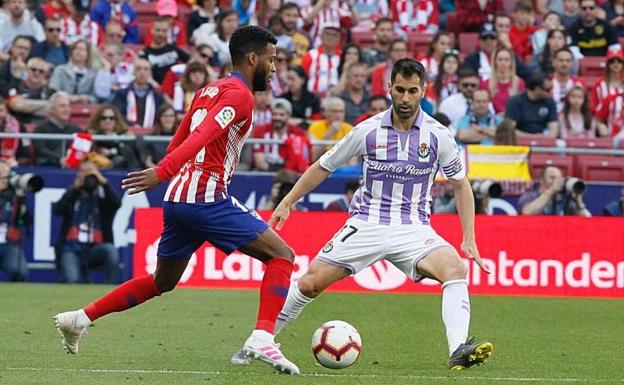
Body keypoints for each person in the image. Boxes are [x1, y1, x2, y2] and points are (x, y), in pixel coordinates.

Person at [53, 25, 301, 376]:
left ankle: (79, 318)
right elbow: (202, 134)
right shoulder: (240, 95)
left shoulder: (207, 90)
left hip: (179, 198)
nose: (275, 68)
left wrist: (167, 172)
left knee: (162, 281)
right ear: (252, 57)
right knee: (282, 256)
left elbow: (179, 138)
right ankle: (263, 336)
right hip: (206, 197)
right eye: (272, 59)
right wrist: (162, 171)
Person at [231, 58, 494, 370]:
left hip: (414, 229)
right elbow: (323, 167)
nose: (406, 98)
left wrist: (469, 237)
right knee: (310, 284)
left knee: (455, 269)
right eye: (400, 90)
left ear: (425, 90)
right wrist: (288, 201)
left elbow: (461, 186)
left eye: (412, 91)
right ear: (389, 89)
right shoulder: (368, 131)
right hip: (366, 222)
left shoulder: (439, 136)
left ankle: (458, 349)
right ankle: (259, 341)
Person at [53, 161, 121, 283]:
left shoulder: (101, 198)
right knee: (72, 279)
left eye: (91, 173)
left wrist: (103, 182)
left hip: (95, 248)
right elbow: (58, 209)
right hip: (71, 248)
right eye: (84, 172)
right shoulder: (73, 196)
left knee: (110, 250)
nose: (88, 177)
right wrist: (74, 188)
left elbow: (116, 203)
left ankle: (110, 289)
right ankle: (66, 281)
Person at [252, 98, 310, 172]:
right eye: (274, 114)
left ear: (289, 116)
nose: (277, 117)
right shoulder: (260, 131)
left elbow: (302, 160)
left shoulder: (298, 133)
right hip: (266, 172)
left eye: (281, 115)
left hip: (291, 174)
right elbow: (260, 163)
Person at [518, 165, 591, 216]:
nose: (557, 181)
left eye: (559, 178)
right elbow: (526, 213)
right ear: (541, 180)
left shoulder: (565, 199)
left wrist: (579, 203)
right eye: (552, 178)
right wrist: (551, 191)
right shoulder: (530, 196)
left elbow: (586, 222)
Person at [34, 92, 82, 167]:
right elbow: (41, 150)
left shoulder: (77, 130)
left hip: (73, 168)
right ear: (52, 109)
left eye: (68, 106)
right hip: (48, 167)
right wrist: (59, 159)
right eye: (62, 106)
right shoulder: (41, 129)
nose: (66, 109)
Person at [0, 161, 30, 282]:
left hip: (9, 244)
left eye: (6, 174)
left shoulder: (13, 196)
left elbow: (26, 221)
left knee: (20, 272)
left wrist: (20, 200)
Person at [504, 71, 559, 138]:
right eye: (547, 90)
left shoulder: (549, 101)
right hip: (519, 142)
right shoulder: (515, 101)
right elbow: (509, 130)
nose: (550, 92)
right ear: (537, 89)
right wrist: (532, 137)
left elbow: (553, 129)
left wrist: (544, 139)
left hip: (542, 142)